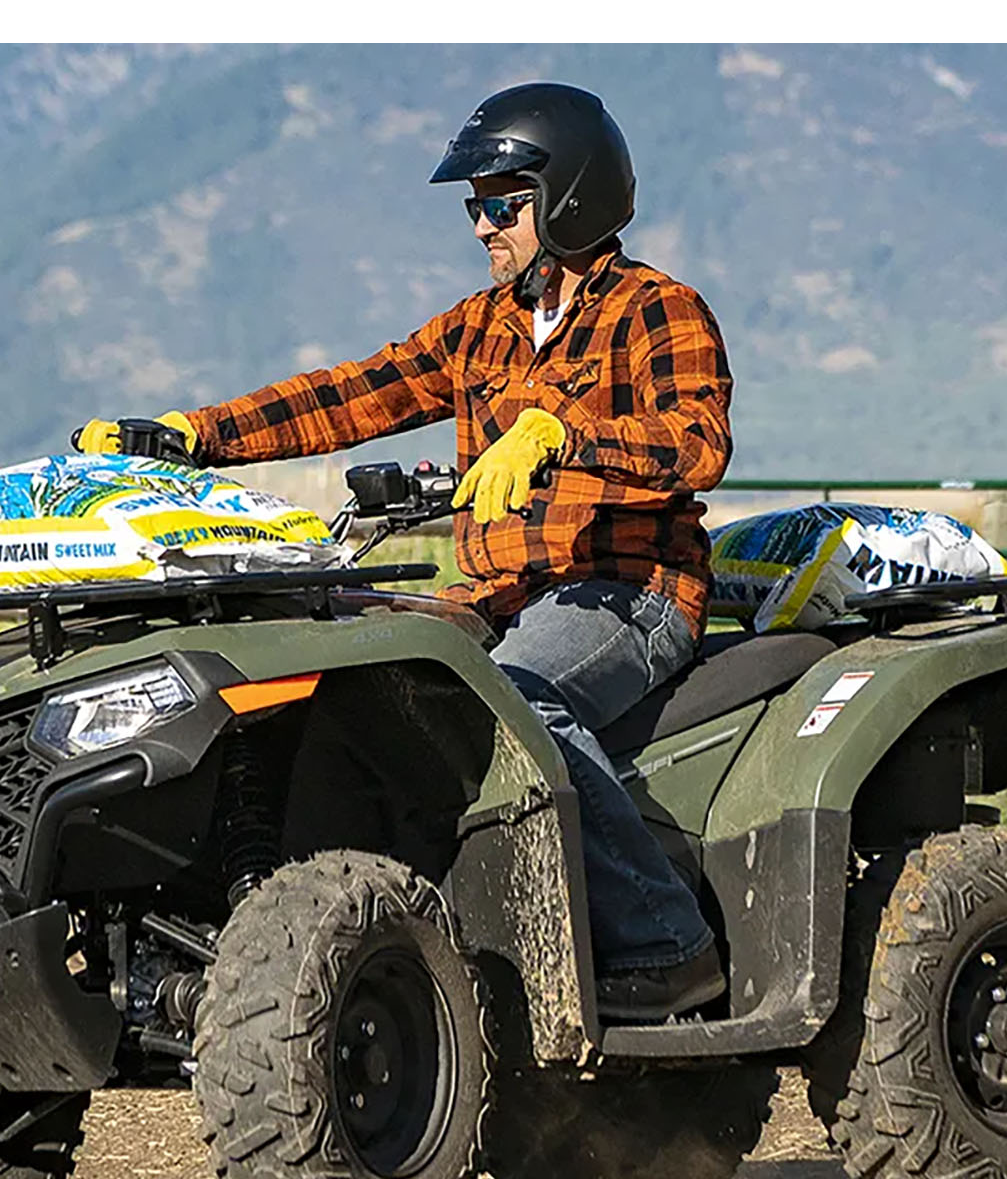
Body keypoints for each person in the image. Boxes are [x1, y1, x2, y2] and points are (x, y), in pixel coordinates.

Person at [74, 82, 734, 1022]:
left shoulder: (656, 312)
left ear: (571, 196)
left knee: (518, 702)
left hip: (627, 590)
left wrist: (561, 431)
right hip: (496, 593)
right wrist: (192, 434)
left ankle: (670, 943)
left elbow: (697, 443)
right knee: (351, 686)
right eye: (475, 207)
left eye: (500, 203)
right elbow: (350, 395)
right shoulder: (481, 327)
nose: (481, 226)